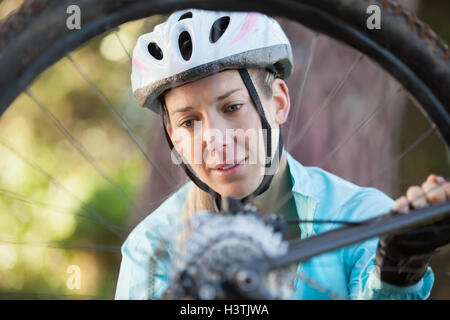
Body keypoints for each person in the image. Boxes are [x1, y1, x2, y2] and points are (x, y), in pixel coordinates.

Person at [115, 9, 450, 300]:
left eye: (232, 107)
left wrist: (396, 269)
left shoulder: (364, 216)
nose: (214, 139)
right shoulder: (151, 247)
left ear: (278, 102)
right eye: (189, 122)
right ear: (173, 137)